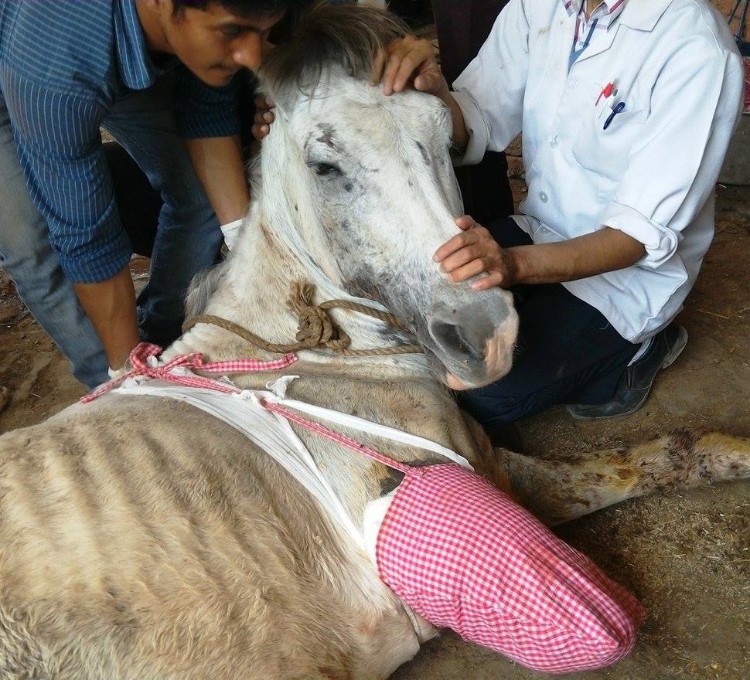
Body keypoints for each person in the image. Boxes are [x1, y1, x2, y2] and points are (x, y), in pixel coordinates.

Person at [376, 0, 744, 434]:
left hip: (628, 279)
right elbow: (478, 117)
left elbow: (635, 237)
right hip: (541, 229)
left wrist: (511, 265)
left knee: (475, 396)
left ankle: (637, 353)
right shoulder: (541, 6)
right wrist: (434, 94)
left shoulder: (696, 49)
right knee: (396, 322)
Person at [0, 0, 307, 390]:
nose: (252, 55)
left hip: (108, 46)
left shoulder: (204, 22)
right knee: (33, 245)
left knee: (198, 198)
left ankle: (164, 336)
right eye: (232, 32)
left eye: (261, 33)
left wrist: (247, 247)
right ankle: (117, 385)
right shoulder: (60, 63)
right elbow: (86, 234)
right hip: (39, 64)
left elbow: (207, 111)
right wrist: (128, 370)